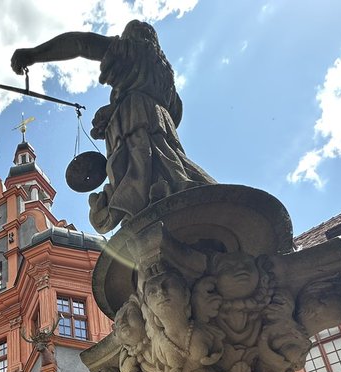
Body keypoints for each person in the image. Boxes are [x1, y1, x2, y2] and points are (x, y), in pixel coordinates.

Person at [11, 21, 213, 233]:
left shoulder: (130, 49)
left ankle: (138, 208)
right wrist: (114, 111)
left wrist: (33, 54)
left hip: (132, 119)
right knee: (166, 163)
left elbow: (82, 43)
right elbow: (175, 113)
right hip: (161, 122)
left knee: (135, 168)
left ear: (131, 36)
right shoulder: (164, 75)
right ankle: (172, 194)